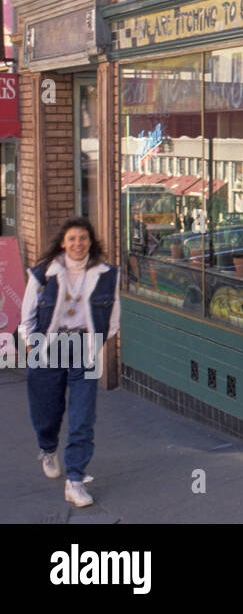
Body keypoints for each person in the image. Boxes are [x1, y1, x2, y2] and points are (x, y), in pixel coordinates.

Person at [18, 218, 120, 508]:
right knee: (46, 412)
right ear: (63, 243)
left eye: (83, 238)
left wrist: (98, 342)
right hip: (48, 347)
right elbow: (27, 315)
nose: (78, 244)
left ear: (90, 242)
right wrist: (30, 342)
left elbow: (113, 316)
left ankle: (75, 479)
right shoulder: (44, 273)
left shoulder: (106, 274)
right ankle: (48, 448)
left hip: (83, 347)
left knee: (83, 415)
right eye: (72, 239)